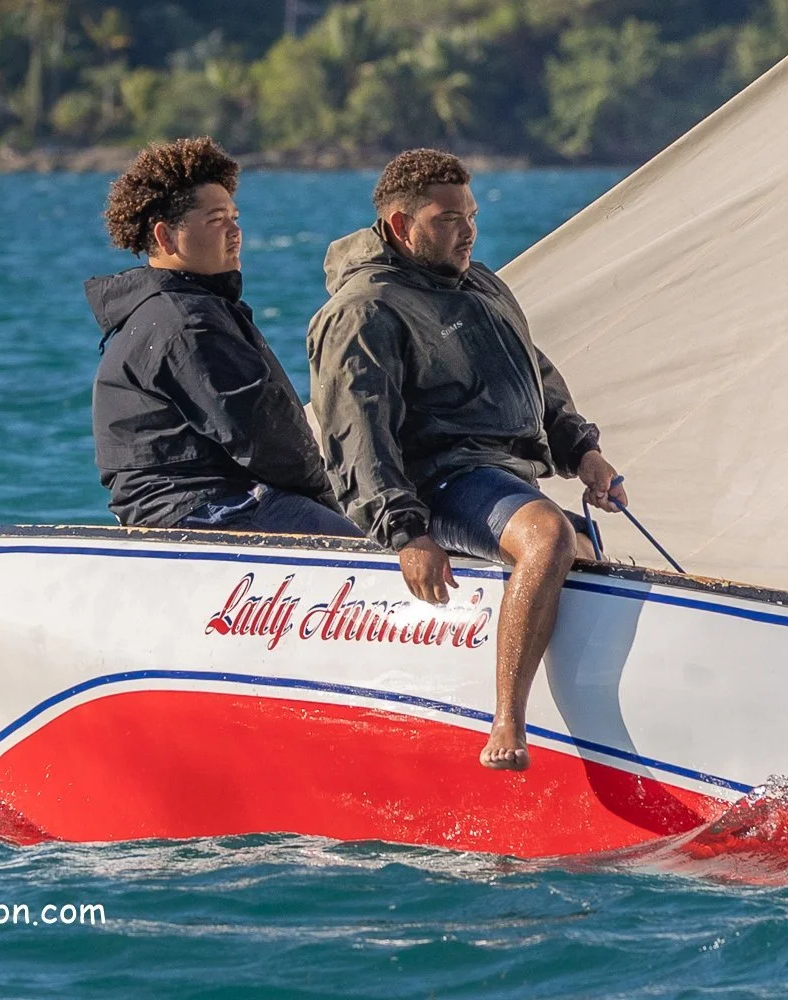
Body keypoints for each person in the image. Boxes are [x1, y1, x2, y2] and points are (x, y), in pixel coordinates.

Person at [308, 148, 628, 771]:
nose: (468, 230)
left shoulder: (481, 283)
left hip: (503, 474)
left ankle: (596, 732)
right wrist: (407, 532)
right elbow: (356, 435)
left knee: (583, 553)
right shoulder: (364, 309)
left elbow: (536, 378)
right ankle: (507, 723)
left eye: (472, 214)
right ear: (402, 227)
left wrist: (584, 452)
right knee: (546, 536)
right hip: (439, 481)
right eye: (448, 218)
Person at [86, 136, 360, 538]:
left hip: (207, 498)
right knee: (363, 550)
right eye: (216, 220)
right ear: (165, 237)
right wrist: (328, 499)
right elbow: (263, 439)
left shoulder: (189, 307)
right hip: (200, 507)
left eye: (235, 217)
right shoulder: (186, 322)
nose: (235, 232)